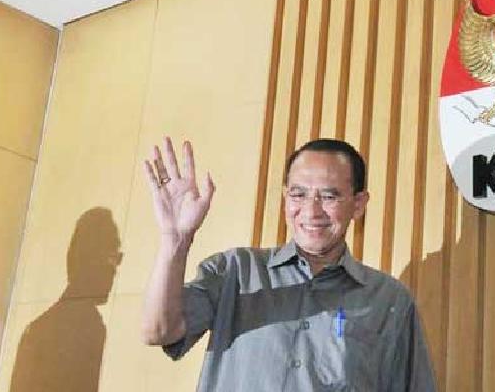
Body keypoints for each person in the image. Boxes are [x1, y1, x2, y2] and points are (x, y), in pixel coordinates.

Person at [142, 136, 436, 391]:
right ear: (285, 199)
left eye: (329, 196)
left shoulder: (390, 300)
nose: (311, 211)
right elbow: (158, 331)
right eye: (298, 194)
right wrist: (175, 239)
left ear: (358, 204)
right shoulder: (236, 271)